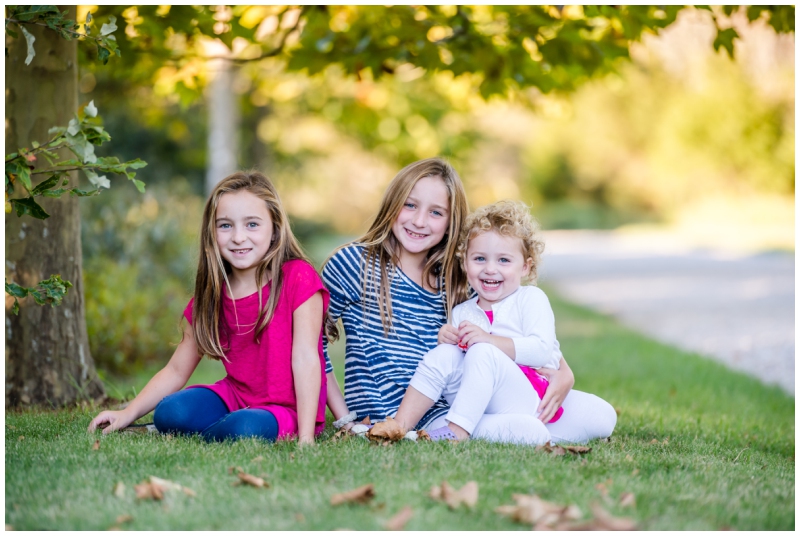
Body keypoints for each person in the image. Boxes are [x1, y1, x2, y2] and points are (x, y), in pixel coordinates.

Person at [323, 158, 608, 444]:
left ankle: (465, 429)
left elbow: (508, 332)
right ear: (392, 203)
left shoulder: (456, 275)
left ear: (450, 222)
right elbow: (311, 344)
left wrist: (565, 372)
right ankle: (435, 430)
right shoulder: (354, 263)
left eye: (436, 212)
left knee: (592, 417)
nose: (419, 221)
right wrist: (345, 417)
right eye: (410, 205)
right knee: (529, 431)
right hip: (384, 413)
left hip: (455, 407)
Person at [88, 171, 328, 445]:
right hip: (235, 397)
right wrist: (127, 413)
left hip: (286, 410)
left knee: (244, 429)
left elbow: (307, 359)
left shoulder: (298, 277)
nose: (238, 237)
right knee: (170, 412)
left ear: (274, 229)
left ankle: (221, 429)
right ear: (211, 232)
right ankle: (214, 426)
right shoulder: (212, 294)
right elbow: (177, 370)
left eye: (252, 224)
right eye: (225, 226)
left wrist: (306, 436)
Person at [393, 200, 598, 444]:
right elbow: (457, 367)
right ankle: (398, 426)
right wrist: (448, 342)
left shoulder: (531, 298)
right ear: (465, 263)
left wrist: (488, 341)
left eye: (503, 260)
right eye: (479, 259)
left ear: (525, 267)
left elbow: (542, 350)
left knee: (602, 417)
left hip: (524, 394)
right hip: (483, 401)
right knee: (445, 355)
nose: (490, 269)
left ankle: (461, 428)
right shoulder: (462, 312)